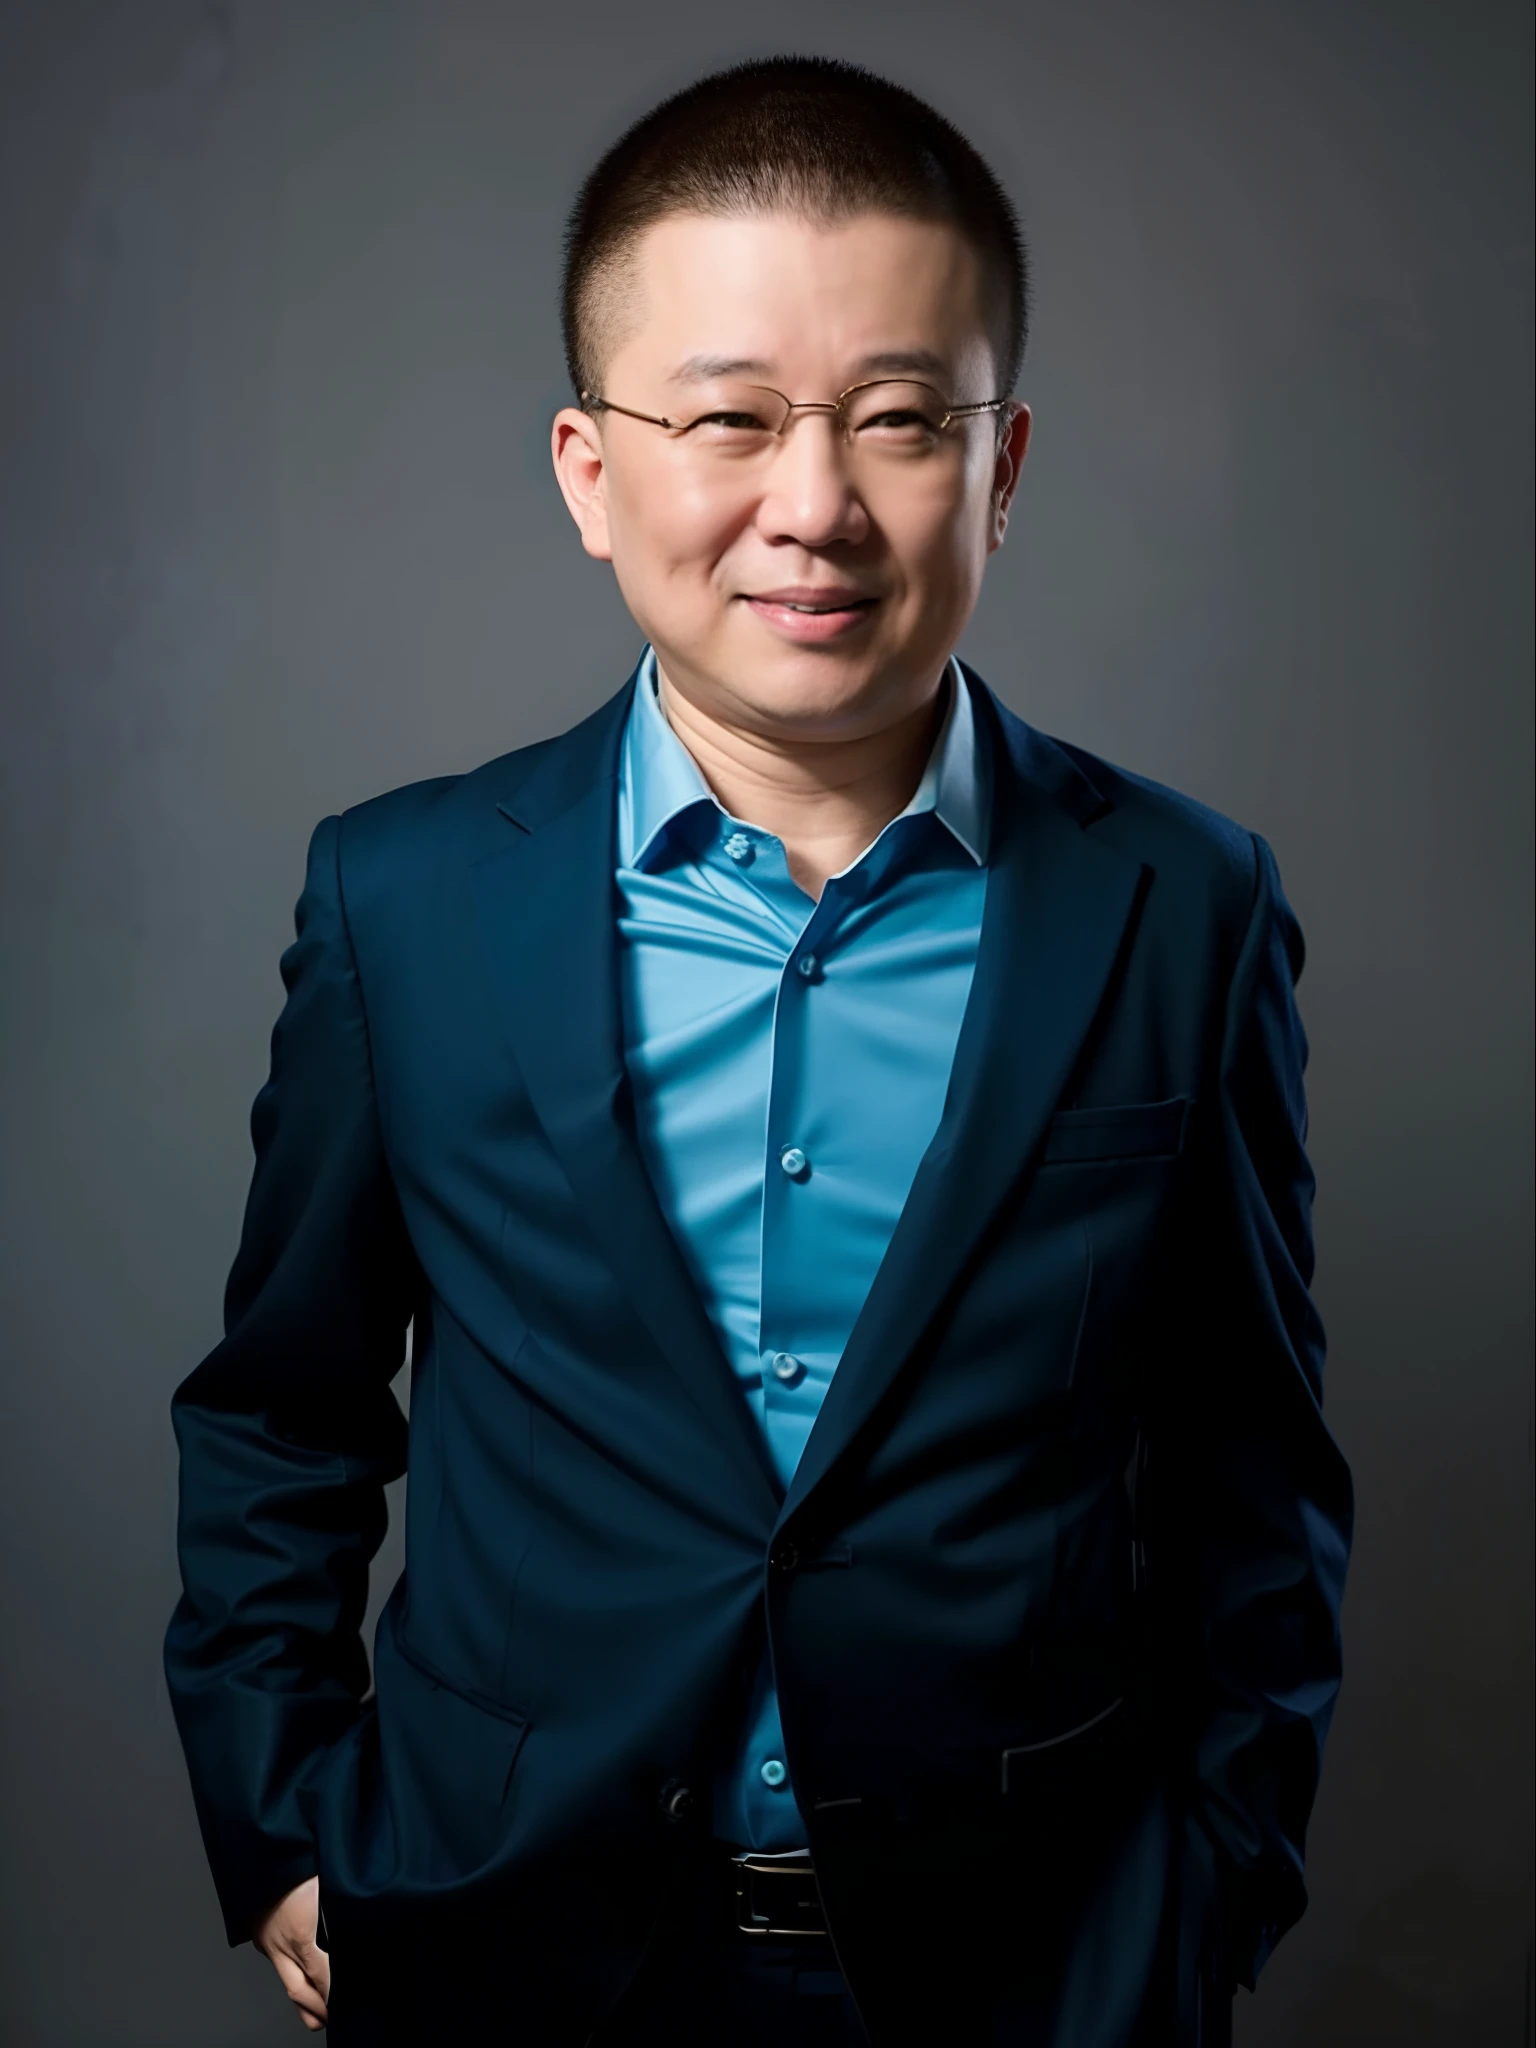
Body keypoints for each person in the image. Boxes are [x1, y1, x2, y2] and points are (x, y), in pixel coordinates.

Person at [165, 56, 1353, 2048]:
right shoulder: (406, 898)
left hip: (1033, 1966)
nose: (815, 505)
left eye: (900, 421)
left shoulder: (1186, 903)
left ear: (1003, 464)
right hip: (505, 1940)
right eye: (730, 418)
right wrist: (282, 1814)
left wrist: (1214, 1878)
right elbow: (285, 1405)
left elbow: (1258, 1467)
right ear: (588, 467)